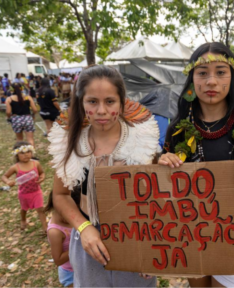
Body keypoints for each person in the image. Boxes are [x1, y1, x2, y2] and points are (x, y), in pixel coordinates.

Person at [159, 42, 234, 287]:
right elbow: (164, 185)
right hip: (189, 225)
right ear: (192, 80)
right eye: (202, 73)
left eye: (221, 72)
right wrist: (162, 165)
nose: (211, 81)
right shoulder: (176, 130)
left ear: (232, 78)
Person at [49, 65, 159, 287]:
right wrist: (84, 227)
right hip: (89, 245)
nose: (101, 110)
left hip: (138, 240)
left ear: (122, 101)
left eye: (110, 101)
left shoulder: (142, 142)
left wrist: (153, 249)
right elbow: (60, 195)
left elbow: (156, 198)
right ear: (81, 102)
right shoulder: (70, 142)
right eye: (92, 101)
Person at [1, 141, 47, 232]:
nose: (26, 155)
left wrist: (42, 178)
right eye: (22, 153)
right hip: (24, 194)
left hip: (36, 191)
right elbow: (4, 176)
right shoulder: (15, 167)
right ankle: (23, 219)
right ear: (16, 155)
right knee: (24, 209)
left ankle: (45, 228)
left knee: (40, 209)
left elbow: (42, 173)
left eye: (28, 152)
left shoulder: (36, 163)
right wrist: (8, 181)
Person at [45, 191, 74, 287]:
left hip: (83, 267)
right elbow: (58, 260)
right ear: (55, 206)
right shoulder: (55, 232)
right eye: (67, 211)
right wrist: (78, 246)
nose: (71, 215)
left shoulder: (72, 217)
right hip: (70, 274)